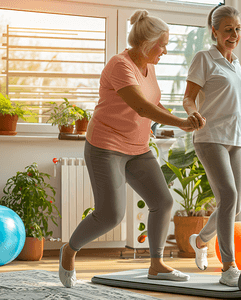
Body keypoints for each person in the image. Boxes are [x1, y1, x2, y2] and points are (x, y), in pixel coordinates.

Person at [59, 9, 205, 288]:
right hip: (106, 146)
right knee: (110, 214)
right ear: (146, 43)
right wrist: (182, 124)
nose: (165, 49)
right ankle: (70, 249)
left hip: (138, 148)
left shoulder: (149, 68)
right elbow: (139, 105)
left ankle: (156, 264)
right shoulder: (119, 65)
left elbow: (154, 104)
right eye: (162, 44)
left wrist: (181, 120)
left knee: (163, 202)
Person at [183, 4, 241, 287]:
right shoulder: (204, 58)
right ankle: (229, 267)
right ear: (214, 31)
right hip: (210, 136)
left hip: (236, 138)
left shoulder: (237, 64)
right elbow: (188, 97)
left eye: (237, 29)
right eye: (227, 30)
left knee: (235, 205)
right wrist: (191, 112)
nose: (233, 34)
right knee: (229, 195)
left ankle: (200, 240)